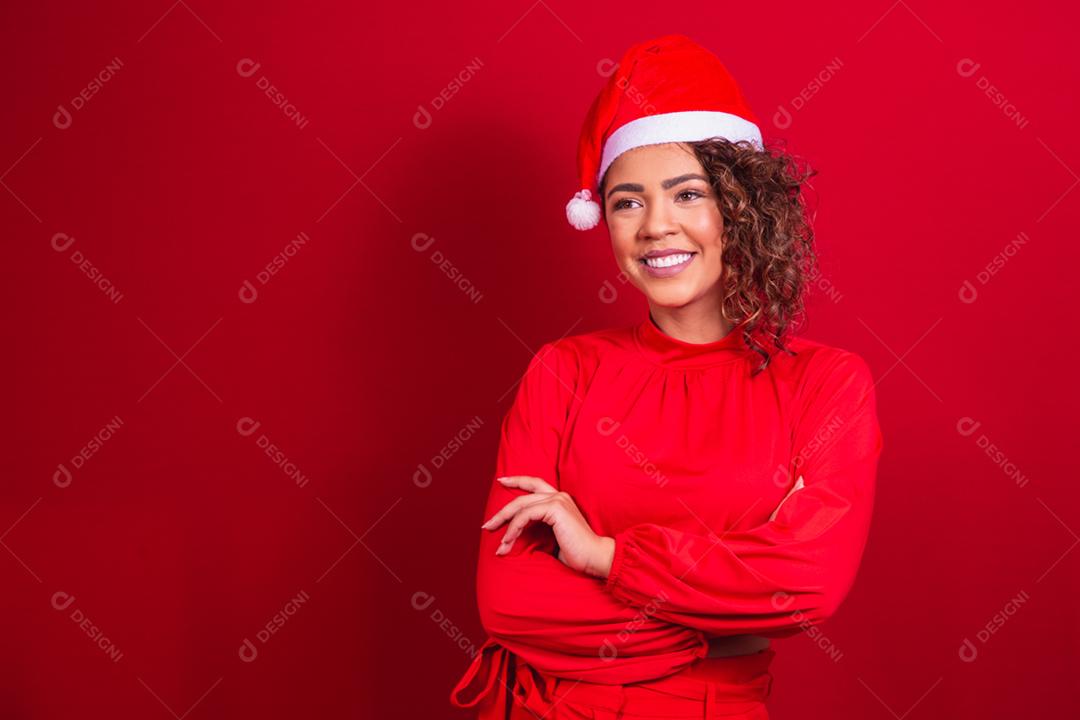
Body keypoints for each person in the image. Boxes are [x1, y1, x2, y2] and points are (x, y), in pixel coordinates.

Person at [449, 33, 884, 719]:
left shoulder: (826, 384)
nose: (656, 225)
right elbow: (510, 601)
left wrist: (601, 557)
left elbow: (808, 585)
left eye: (688, 194)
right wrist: (717, 626)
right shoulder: (562, 371)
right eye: (626, 202)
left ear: (740, 207)